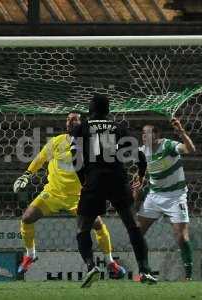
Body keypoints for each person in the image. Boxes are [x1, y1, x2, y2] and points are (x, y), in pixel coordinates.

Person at [13, 112, 125, 278]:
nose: (71, 121)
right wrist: (27, 175)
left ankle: (110, 262)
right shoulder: (56, 141)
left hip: (78, 197)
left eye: (76, 118)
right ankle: (30, 254)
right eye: (69, 119)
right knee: (27, 218)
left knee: (98, 225)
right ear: (66, 124)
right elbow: (40, 159)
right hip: (53, 193)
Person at [70, 94, 156, 288]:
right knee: (132, 225)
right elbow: (140, 156)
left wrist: (83, 180)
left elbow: (75, 157)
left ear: (90, 109)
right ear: (108, 110)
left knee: (83, 226)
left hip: (94, 179)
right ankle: (144, 270)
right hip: (118, 178)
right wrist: (140, 177)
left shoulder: (81, 127)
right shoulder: (119, 127)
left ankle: (91, 267)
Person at [133, 120, 196, 280]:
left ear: (157, 135)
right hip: (154, 196)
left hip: (175, 196)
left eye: (148, 133)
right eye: (142, 133)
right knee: (137, 233)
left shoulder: (168, 145)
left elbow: (190, 149)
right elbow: (140, 173)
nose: (144, 136)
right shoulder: (142, 151)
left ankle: (188, 276)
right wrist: (137, 187)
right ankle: (144, 270)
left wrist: (181, 132)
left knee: (181, 236)